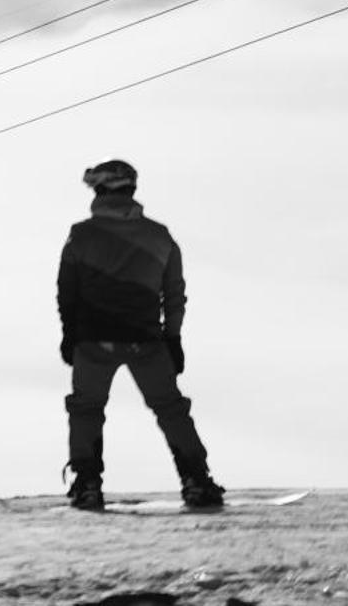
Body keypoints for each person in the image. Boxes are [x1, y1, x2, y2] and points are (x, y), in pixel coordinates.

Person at [57, 160, 224, 511]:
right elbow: (174, 293)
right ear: (132, 190)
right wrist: (174, 339)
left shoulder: (81, 235)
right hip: (146, 340)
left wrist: (69, 335)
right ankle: (196, 480)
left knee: (86, 410)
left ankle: (87, 484)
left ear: (100, 192)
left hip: (93, 340)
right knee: (171, 410)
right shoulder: (160, 236)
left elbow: (67, 290)